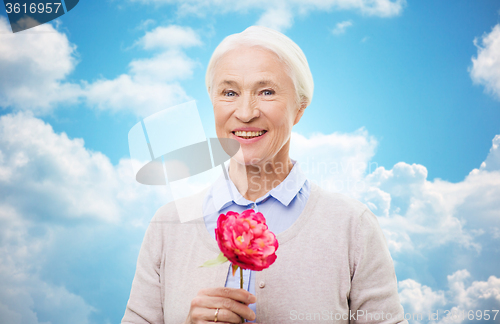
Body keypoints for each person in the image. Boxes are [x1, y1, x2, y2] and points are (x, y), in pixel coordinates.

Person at [121, 26, 408, 324]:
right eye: (229, 92)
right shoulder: (167, 226)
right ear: (212, 101)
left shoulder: (352, 227)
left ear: (299, 108)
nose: (245, 113)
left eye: (267, 91)